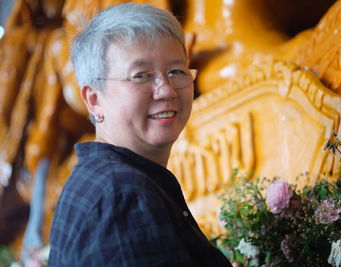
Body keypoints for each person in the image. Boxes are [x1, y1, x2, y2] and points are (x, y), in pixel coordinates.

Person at [48, 3, 232, 266]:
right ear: (94, 100)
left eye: (177, 71)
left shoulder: (106, 179)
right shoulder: (122, 196)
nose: (166, 90)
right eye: (141, 75)